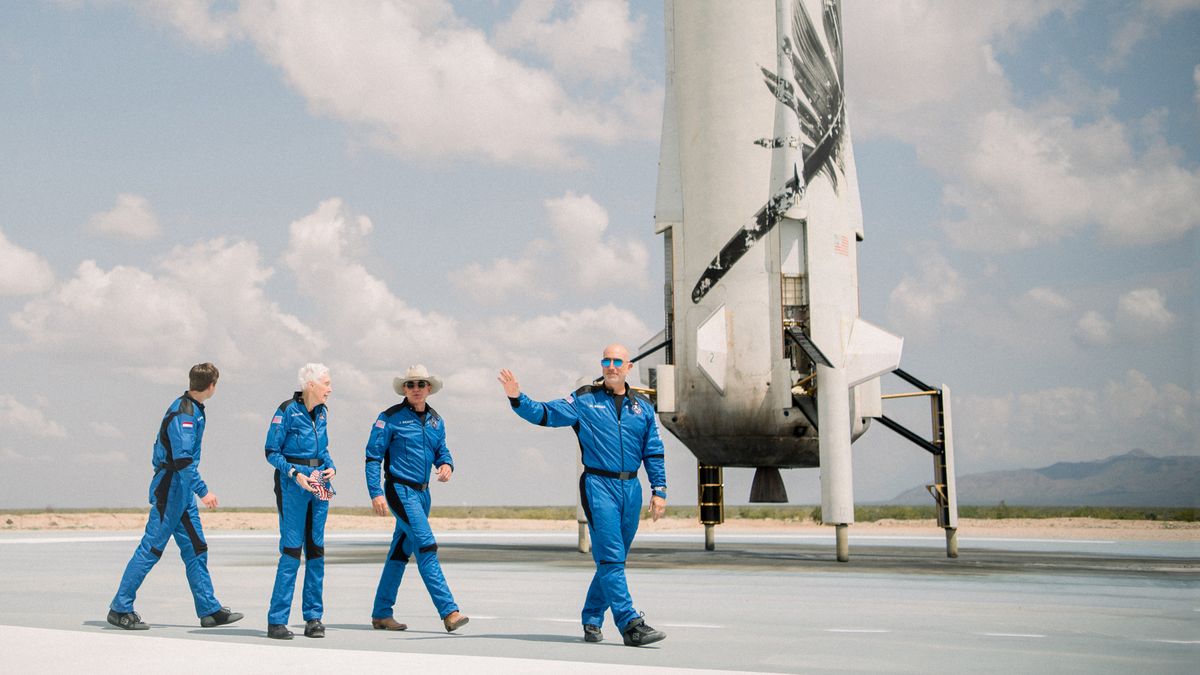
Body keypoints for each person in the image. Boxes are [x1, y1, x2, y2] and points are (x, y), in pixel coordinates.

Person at [498, 343, 668, 647]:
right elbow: (545, 413)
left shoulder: (642, 406)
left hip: (631, 488)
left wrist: (660, 490)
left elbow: (653, 451)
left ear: (629, 367)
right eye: (606, 360)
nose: (611, 366)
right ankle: (631, 624)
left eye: (618, 361)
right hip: (598, 486)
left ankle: (591, 618)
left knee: (613, 559)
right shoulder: (584, 399)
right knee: (612, 558)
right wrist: (516, 397)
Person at [108, 362, 243, 631]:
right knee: (151, 549)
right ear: (212, 386)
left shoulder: (193, 409)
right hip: (170, 489)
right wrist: (204, 492)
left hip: (181, 492)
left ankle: (209, 609)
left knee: (196, 549)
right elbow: (182, 461)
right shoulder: (184, 414)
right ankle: (119, 608)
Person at [365, 365, 469, 633]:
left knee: (399, 553)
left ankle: (381, 613)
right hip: (400, 491)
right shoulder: (389, 418)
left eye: (420, 384)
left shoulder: (437, 421)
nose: (415, 389)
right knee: (426, 546)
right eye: (410, 385)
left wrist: (447, 465)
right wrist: (376, 493)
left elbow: (441, 450)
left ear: (429, 389)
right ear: (404, 389)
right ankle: (449, 612)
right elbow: (373, 457)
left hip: (423, 495)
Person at [264, 363, 337, 640]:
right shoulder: (286, 411)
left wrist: (331, 467)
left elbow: (324, 449)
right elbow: (271, 451)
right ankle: (277, 621)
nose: (330, 389)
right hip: (293, 483)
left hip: (319, 481)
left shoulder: (323, 413)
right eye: (326, 383)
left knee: (316, 549)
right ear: (311, 385)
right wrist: (294, 474)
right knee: (292, 550)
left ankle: (313, 618)